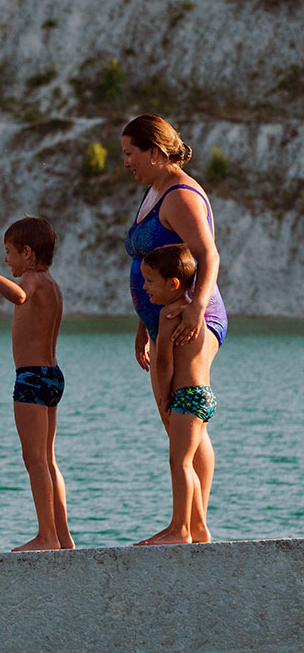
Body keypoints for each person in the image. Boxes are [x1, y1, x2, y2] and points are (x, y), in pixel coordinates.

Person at [121, 114, 226, 542]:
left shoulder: (181, 196)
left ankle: (185, 527)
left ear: (156, 151)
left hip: (189, 316)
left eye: (131, 153)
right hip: (162, 319)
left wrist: (196, 307)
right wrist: (143, 324)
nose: (126, 162)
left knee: (183, 419)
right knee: (176, 425)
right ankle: (195, 525)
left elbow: (208, 256)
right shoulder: (153, 190)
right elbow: (153, 267)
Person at [0, 216, 73, 552]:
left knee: (34, 459)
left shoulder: (32, 280)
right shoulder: (52, 283)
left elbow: (19, 297)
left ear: (27, 252)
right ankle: (63, 536)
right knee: (47, 459)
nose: (5, 259)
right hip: (52, 376)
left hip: (32, 377)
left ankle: (47, 536)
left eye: (9, 252)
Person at [134, 244, 218, 546]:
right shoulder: (199, 316)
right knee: (188, 460)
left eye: (150, 281)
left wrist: (165, 398)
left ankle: (180, 529)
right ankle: (199, 529)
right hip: (204, 395)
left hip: (186, 396)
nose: (144, 288)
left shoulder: (169, 315)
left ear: (173, 284)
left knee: (180, 463)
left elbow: (165, 362)